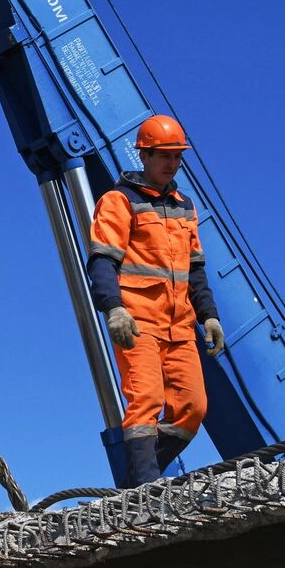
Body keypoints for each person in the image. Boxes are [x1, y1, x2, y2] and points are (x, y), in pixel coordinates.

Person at [85, 115, 225, 486]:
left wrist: (209, 316)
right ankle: (145, 491)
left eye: (177, 156)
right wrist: (113, 308)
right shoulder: (119, 201)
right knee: (145, 400)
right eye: (165, 155)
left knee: (192, 407)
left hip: (180, 325)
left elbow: (196, 271)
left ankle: (136, 479)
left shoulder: (184, 206)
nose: (172, 163)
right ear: (144, 155)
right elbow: (102, 260)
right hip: (138, 321)